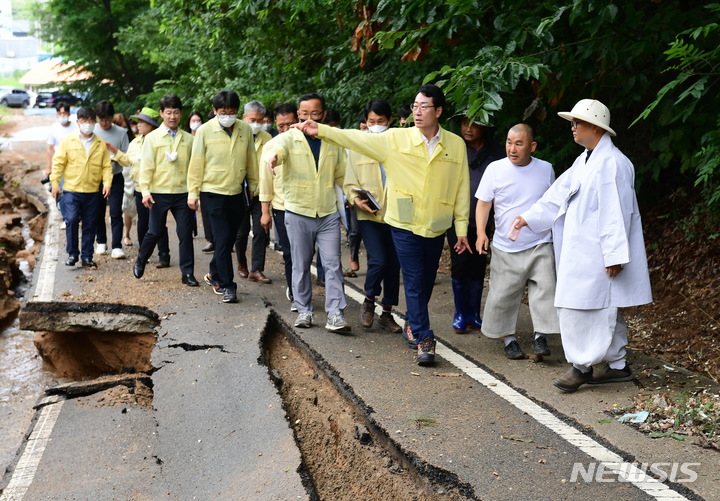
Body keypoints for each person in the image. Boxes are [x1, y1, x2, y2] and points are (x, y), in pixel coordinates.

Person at [297, 84, 471, 365]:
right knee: (413, 281)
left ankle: (413, 322)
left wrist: (460, 229)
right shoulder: (396, 139)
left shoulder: (454, 144)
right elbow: (356, 139)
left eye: (424, 106)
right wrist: (324, 131)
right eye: (414, 106)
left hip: (437, 224)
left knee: (425, 282)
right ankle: (425, 338)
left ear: (438, 111)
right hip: (403, 222)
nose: (417, 111)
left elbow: (461, 188)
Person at [512, 99, 652, 392]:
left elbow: (617, 212)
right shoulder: (586, 159)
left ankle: (581, 367)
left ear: (595, 126)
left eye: (577, 122)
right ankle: (617, 366)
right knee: (597, 307)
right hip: (582, 250)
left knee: (588, 309)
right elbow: (558, 193)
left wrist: (614, 255)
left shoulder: (612, 164)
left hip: (598, 253)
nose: (572, 128)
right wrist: (529, 217)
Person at [265, 92, 350, 332]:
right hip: (298, 211)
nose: (308, 118)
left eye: (314, 113)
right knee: (301, 264)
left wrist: (353, 196)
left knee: (333, 265)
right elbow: (278, 150)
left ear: (322, 115)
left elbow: (343, 175)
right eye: (304, 114)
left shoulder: (331, 140)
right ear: (298, 115)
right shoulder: (289, 137)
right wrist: (273, 158)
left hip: (327, 213)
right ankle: (304, 309)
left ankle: (336, 314)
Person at [475, 124, 560, 360]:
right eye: (509, 142)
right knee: (503, 294)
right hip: (505, 245)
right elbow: (484, 203)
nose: (512, 148)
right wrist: (481, 232)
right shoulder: (495, 169)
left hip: (540, 241)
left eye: (519, 143)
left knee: (545, 288)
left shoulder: (546, 169)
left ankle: (541, 335)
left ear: (532, 146)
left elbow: (552, 203)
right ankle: (509, 339)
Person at [187, 90, 259, 303]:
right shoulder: (204, 131)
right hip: (212, 192)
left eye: (231, 112)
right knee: (223, 238)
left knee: (227, 240)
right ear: (215, 111)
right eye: (223, 112)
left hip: (236, 191)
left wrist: (253, 184)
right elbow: (196, 162)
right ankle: (228, 285)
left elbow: (251, 159)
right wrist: (193, 192)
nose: (227, 116)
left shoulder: (244, 129)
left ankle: (213, 273)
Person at [343, 99, 402, 333]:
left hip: (397, 214)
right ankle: (369, 299)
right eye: (371, 121)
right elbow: (349, 182)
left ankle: (387, 313)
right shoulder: (358, 147)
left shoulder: (398, 144)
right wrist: (355, 198)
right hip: (369, 215)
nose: (376, 125)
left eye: (381, 121)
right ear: (365, 123)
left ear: (389, 122)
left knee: (393, 264)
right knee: (378, 260)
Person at [133, 94, 198, 287]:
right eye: (168, 112)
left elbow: (194, 168)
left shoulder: (188, 139)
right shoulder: (151, 138)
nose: (172, 116)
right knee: (154, 231)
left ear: (181, 114)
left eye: (176, 112)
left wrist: (194, 192)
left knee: (185, 233)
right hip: (158, 192)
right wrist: (145, 191)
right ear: (161, 113)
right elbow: (146, 167)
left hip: (182, 193)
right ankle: (140, 260)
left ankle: (187, 273)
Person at [448, 113, 504, 334]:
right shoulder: (454, 148)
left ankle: (474, 314)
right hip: (457, 219)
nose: (468, 128)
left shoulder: (497, 153)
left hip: (485, 222)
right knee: (460, 263)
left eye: (474, 124)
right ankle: (460, 313)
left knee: (478, 264)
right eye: (463, 123)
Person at [50, 106, 112, 268]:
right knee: (71, 220)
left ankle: (86, 256)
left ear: (95, 123)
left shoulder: (99, 144)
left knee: (90, 223)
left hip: (92, 191)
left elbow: (106, 166)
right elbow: (58, 163)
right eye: (84, 121)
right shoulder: (68, 141)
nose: (87, 124)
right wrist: (55, 184)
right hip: (71, 189)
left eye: (90, 121)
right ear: (78, 122)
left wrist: (107, 184)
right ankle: (72, 254)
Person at [108, 107, 171, 263]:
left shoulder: (160, 141)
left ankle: (164, 254)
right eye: (138, 122)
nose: (138, 125)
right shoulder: (135, 142)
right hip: (139, 188)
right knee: (142, 222)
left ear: (151, 125)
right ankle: (144, 254)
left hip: (156, 188)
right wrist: (115, 152)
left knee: (158, 223)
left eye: (142, 122)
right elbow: (128, 161)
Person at [260, 103, 299, 310]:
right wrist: (265, 212)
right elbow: (265, 181)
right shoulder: (271, 146)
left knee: (304, 252)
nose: (286, 129)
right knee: (290, 252)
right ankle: (295, 292)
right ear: (276, 123)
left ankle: (300, 287)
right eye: (281, 125)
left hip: (305, 207)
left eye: (290, 124)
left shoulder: (307, 143)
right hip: (282, 207)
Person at [235, 100, 272, 284]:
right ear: (244, 117)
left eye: (259, 120)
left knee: (261, 230)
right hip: (240, 192)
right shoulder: (236, 135)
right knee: (241, 232)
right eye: (252, 119)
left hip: (261, 193)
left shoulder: (268, 139)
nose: (256, 124)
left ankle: (257, 269)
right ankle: (241, 262)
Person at [93, 100, 130, 259]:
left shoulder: (121, 132)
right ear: (97, 118)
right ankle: (101, 241)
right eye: (102, 120)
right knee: (97, 211)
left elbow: (126, 157)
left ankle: (117, 245)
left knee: (115, 211)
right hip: (96, 178)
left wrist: (115, 155)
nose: (105, 123)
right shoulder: (92, 131)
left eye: (108, 119)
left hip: (115, 177)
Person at [45, 101, 77, 227]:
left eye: (64, 113)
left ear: (69, 113)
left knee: (74, 190)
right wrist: (49, 167)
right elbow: (50, 149)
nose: (62, 115)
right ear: (57, 114)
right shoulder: (54, 128)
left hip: (74, 163)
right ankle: (66, 218)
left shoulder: (75, 127)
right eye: (60, 113)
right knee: (61, 191)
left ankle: (75, 214)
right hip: (60, 164)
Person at [112, 113, 137, 247]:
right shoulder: (111, 139)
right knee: (119, 206)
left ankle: (126, 233)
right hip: (117, 174)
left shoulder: (134, 141)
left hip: (130, 174)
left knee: (128, 206)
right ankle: (120, 236)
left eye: (124, 127)